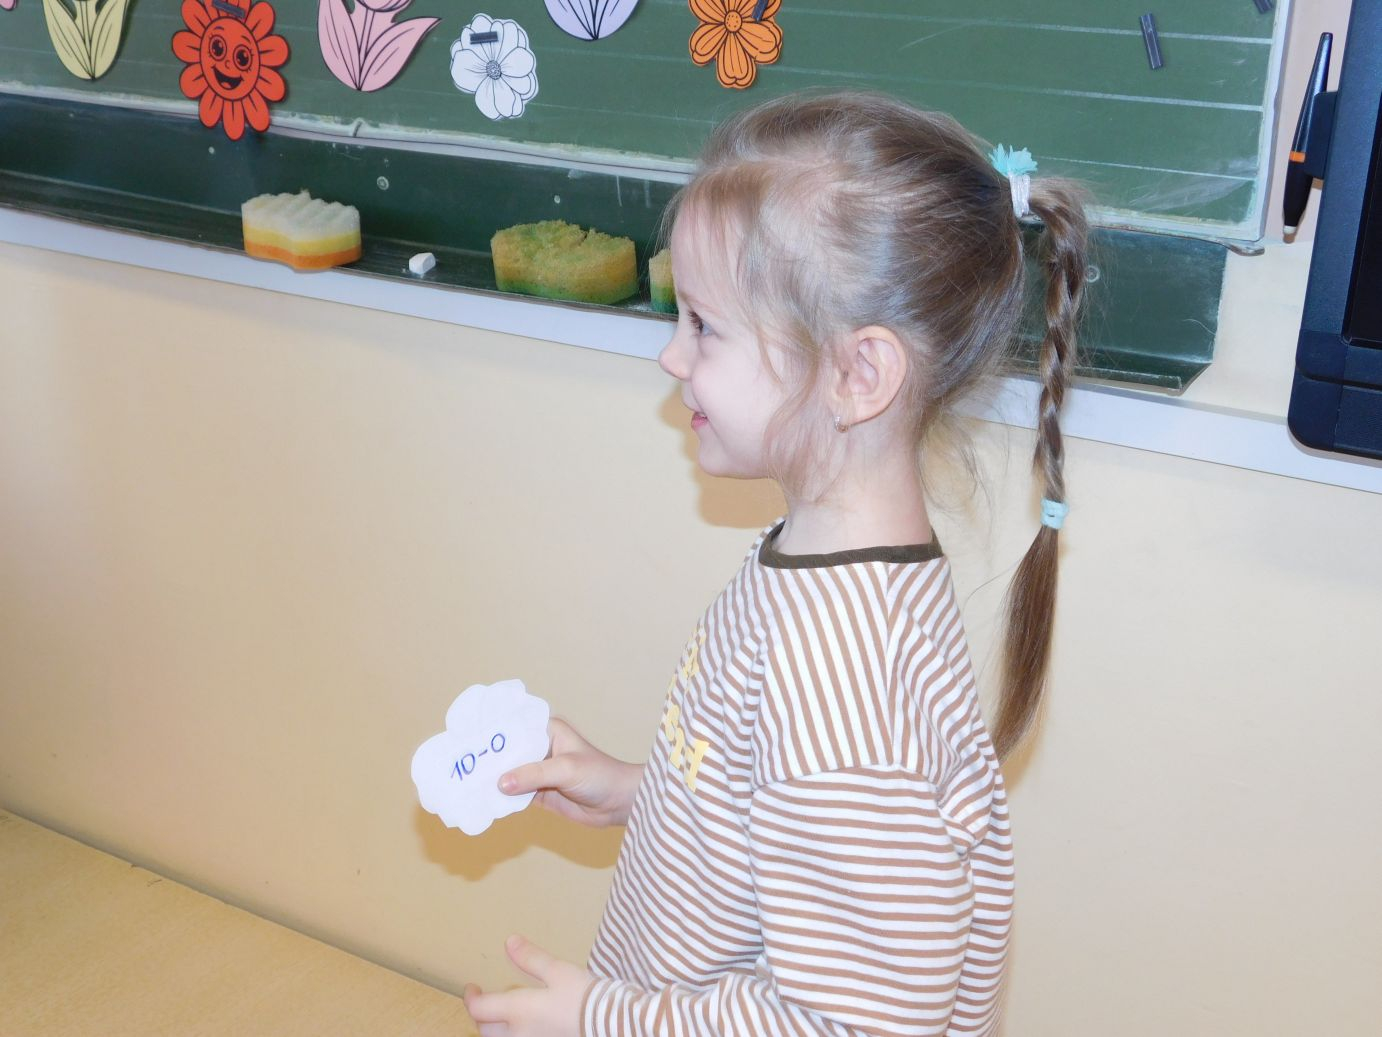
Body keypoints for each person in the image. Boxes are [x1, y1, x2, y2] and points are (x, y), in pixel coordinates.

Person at [463, 90, 1089, 1037]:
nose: (673, 357)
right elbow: (791, 813)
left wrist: (604, 1017)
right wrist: (649, 792)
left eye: (704, 325)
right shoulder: (831, 571)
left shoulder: (842, 675)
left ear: (857, 375)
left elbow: (856, 1022)